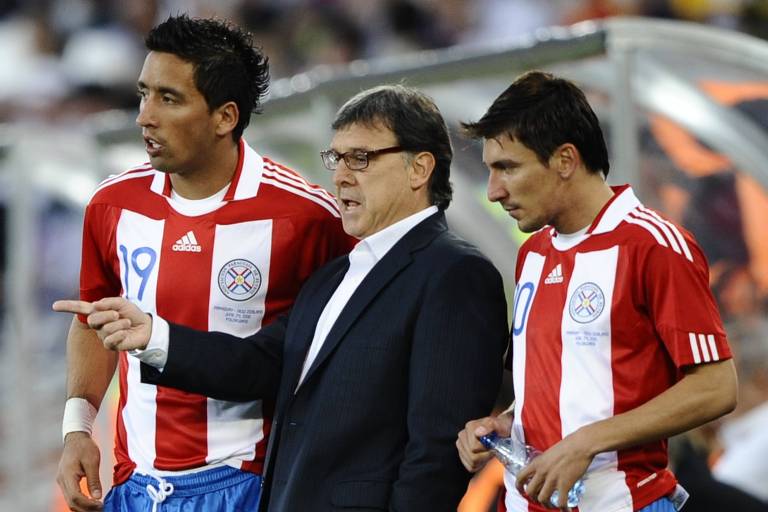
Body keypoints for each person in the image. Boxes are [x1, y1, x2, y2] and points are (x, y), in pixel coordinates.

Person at [54, 84, 510, 511]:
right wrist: (154, 336)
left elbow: (436, 452)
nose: (342, 178)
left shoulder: (455, 273)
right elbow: (260, 364)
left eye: (361, 159)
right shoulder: (334, 276)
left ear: (420, 168)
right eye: (337, 159)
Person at [57, 14, 352, 512]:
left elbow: (343, 355)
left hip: (247, 483)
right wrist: (77, 430)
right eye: (143, 93)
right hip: (134, 483)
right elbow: (93, 319)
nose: (144, 116)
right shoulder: (113, 204)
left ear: (225, 117)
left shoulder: (307, 217)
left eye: (168, 99)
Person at [455, 71, 738, 512]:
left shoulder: (653, 245)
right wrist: (505, 424)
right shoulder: (533, 253)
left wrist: (590, 441)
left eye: (507, 168)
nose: (494, 192)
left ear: (566, 159)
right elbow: (569, 383)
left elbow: (716, 387)